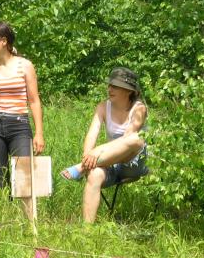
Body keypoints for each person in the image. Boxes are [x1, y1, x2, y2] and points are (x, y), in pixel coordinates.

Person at [60, 67, 148, 223]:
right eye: (109, 85)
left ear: (128, 91)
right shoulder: (103, 107)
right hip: (110, 161)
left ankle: (81, 167)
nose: (110, 89)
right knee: (94, 174)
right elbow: (92, 134)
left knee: (135, 139)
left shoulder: (139, 109)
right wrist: (88, 157)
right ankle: (87, 230)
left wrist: (98, 152)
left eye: (115, 86)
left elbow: (127, 139)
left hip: (133, 163)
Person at [0, 21, 45, 193]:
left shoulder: (25, 65)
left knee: (24, 176)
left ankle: (29, 220)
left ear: (3, 41)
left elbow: (34, 101)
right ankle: (6, 217)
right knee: (0, 180)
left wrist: (39, 133)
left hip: (19, 124)